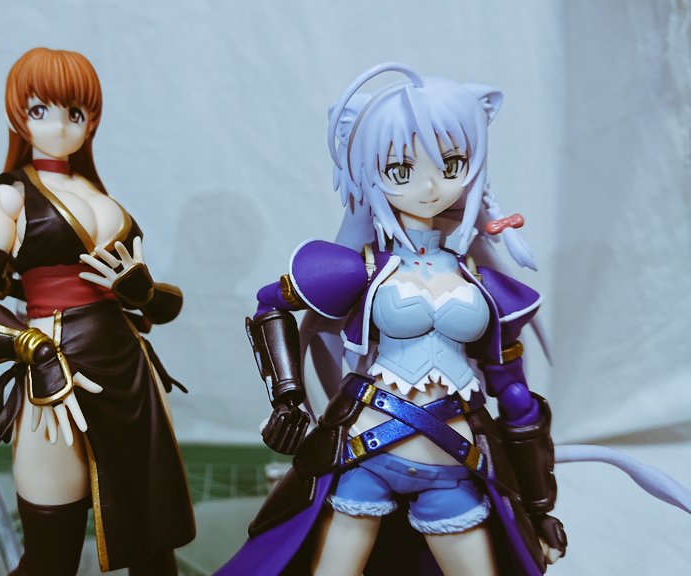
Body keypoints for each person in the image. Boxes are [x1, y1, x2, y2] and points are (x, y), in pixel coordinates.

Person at [218, 63, 564, 576]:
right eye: (401, 170)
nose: (429, 185)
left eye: (451, 163)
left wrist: (538, 508)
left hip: (452, 462)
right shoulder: (358, 269)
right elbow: (271, 305)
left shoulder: (480, 281)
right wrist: (288, 397)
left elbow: (513, 395)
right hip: (363, 454)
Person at [0, 47, 195, 575]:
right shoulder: (8, 195)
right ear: (19, 115)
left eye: (75, 113)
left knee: (154, 538)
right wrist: (36, 350)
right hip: (56, 376)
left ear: (91, 121)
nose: (59, 127)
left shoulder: (101, 196)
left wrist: (141, 292)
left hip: (130, 368)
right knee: (51, 553)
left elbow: (162, 308)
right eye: (41, 110)